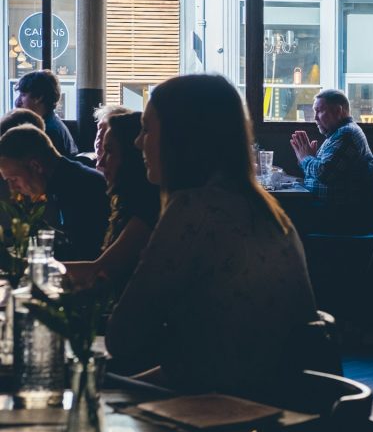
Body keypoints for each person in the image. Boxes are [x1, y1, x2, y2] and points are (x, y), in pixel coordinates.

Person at [105, 74, 318, 398]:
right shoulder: (269, 212)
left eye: (146, 129)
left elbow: (123, 338)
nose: (137, 142)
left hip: (227, 421)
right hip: (280, 411)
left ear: (180, 138)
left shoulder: (194, 210)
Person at [64, 112, 160, 294]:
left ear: (132, 156)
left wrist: (29, 266)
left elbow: (100, 270)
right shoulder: (127, 202)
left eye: (109, 152)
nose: (100, 161)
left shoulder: (148, 209)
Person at [0, 125, 108, 260]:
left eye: (14, 179)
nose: (12, 188)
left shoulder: (83, 190)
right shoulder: (64, 183)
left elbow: (86, 258)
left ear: (36, 166)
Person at [289, 89, 373, 233]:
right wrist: (308, 160)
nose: (315, 118)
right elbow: (321, 172)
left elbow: (325, 173)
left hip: (338, 214)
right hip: (326, 209)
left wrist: (306, 159)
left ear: (338, 111)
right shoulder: (336, 135)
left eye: (319, 111)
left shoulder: (347, 134)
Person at [14, 70, 77, 157]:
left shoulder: (46, 132)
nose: (17, 102)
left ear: (38, 97)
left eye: (23, 95)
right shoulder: (54, 124)